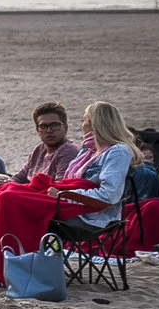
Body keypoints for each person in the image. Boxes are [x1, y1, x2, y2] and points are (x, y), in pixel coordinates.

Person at [48, 101, 137, 242]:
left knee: (20, 207)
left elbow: (109, 195)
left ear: (96, 125)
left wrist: (64, 195)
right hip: (68, 207)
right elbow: (68, 182)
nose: (82, 125)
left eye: (85, 120)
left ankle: (22, 259)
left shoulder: (118, 151)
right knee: (11, 197)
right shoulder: (87, 149)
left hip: (92, 218)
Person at [18, 101, 83, 180]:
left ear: (65, 128)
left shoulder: (68, 152)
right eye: (43, 126)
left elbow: (59, 187)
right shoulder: (39, 150)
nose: (49, 130)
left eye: (55, 125)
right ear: (38, 130)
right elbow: (19, 177)